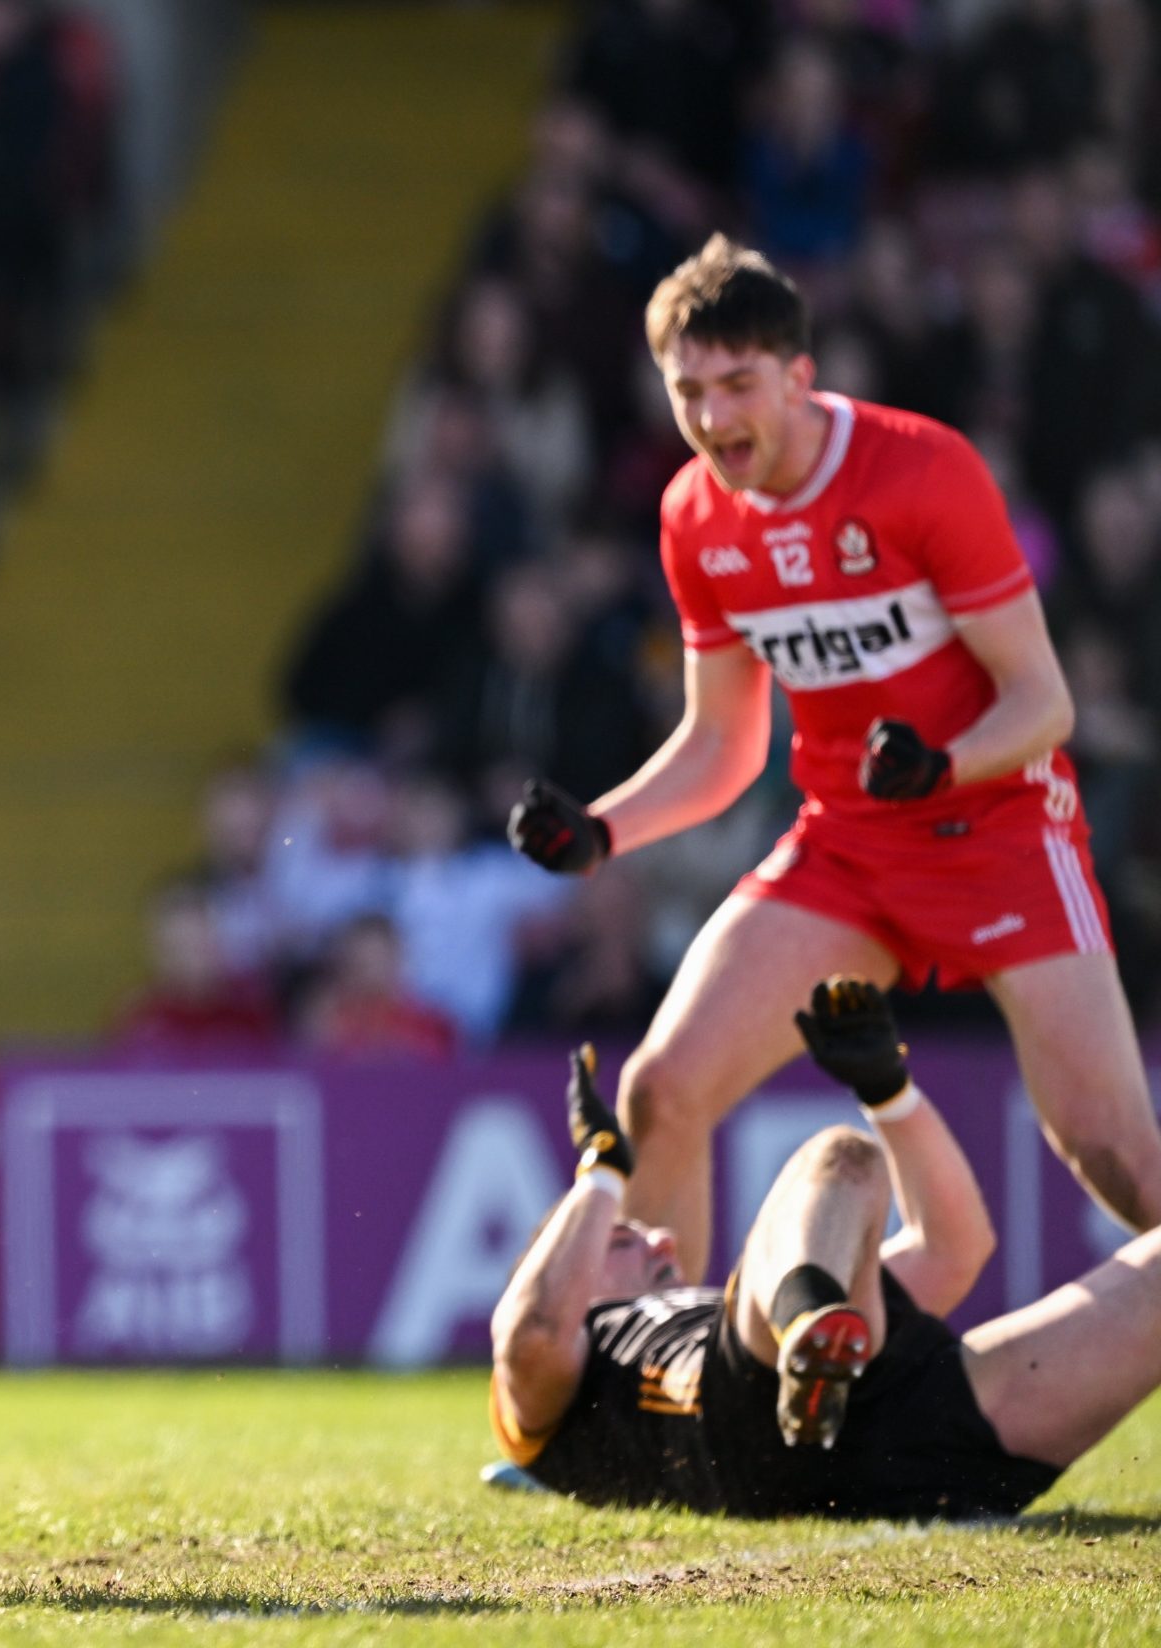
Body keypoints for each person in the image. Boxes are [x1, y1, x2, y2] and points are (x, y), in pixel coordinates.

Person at [508, 234, 1161, 1277]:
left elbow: (1043, 705)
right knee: (660, 1091)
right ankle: (677, 1369)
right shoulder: (693, 517)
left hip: (999, 835)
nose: (712, 418)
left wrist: (940, 765)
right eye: (688, 391)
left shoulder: (922, 471)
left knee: (1120, 1161)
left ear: (799, 375)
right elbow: (722, 743)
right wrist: (601, 831)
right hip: (849, 850)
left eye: (737, 385)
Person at [490, 978, 1161, 1520]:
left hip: (923, 1446)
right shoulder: (565, 1378)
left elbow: (954, 1248)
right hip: (744, 1415)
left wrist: (890, 1094)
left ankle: (814, 1351)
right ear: (568, 1269)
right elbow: (534, 1329)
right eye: (621, 1239)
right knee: (840, 1155)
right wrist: (600, 1175)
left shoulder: (733, 1304)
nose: (662, 1237)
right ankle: (808, 1344)